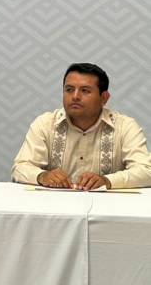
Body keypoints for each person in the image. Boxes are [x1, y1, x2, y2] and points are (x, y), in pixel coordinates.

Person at [12, 63, 151, 190]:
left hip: (106, 206)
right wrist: (42, 176)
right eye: (69, 89)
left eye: (85, 90)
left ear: (104, 98)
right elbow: (20, 168)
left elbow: (146, 171)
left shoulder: (125, 126)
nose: (75, 96)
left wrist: (107, 181)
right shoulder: (45, 123)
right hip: (54, 205)